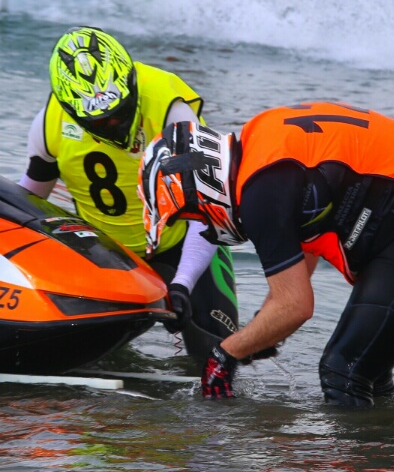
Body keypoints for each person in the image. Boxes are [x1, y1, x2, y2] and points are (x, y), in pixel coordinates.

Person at [139, 102, 394, 405]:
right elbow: (305, 246)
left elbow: (296, 307)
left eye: (191, 215)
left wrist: (225, 354)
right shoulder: (258, 147)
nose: (201, 226)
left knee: (342, 371)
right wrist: (264, 327)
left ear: (204, 188)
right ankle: (389, 454)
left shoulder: (260, 193)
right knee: (365, 371)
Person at [18, 27, 237, 368]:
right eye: (103, 121)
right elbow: (29, 203)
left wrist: (181, 284)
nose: (116, 123)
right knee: (89, 362)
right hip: (107, 254)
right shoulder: (49, 123)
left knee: (219, 359)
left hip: (183, 244)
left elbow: (212, 212)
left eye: (120, 111)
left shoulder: (172, 111)